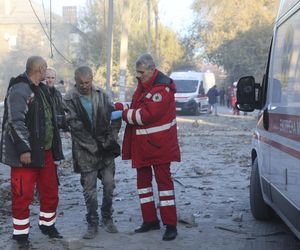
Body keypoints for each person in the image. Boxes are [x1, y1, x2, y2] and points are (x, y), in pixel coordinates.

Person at [114, 53, 181, 241]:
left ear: (152, 69)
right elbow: (137, 105)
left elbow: (145, 115)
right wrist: (119, 106)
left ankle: (170, 224)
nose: (139, 75)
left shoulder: (162, 89)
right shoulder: (146, 85)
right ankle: (150, 220)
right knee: (143, 186)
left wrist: (122, 114)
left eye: (141, 72)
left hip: (160, 147)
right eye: (137, 72)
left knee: (164, 186)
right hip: (143, 146)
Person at [0, 56, 64, 248]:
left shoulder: (43, 90)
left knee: (50, 192)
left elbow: (49, 118)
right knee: (22, 195)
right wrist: (23, 148)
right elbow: (14, 121)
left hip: (46, 153)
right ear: (39, 69)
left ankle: (47, 226)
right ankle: (20, 237)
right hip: (25, 156)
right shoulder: (20, 89)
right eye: (45, 69)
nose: (48, 73)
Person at [63, 66, 121, 239]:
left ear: (92, 79)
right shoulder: (68, 99)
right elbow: (74, 126)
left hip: (105, 149)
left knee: (109, 184)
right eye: (80, 83)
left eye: (87, 82)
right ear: (75, 80)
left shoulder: (101, 94)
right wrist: (94, 145)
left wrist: (111, 138)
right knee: (89, 189)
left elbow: (115, 116)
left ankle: (107, 217)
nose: (84, 86)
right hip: (85, 151)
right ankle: (92, 222)